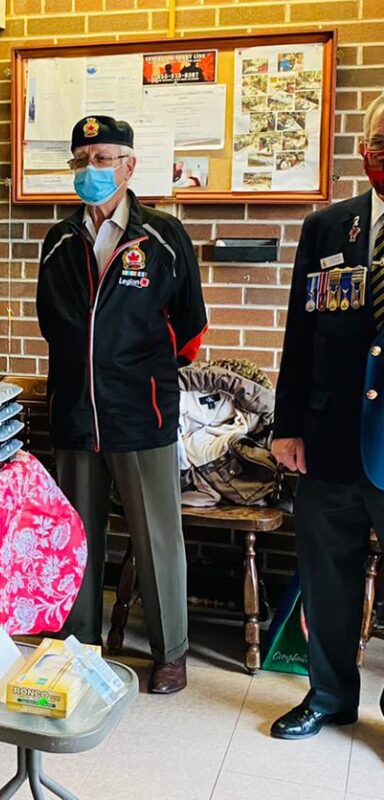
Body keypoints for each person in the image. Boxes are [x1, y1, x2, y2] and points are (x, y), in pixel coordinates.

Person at [36, 116, 207, 694]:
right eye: (82, 161)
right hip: (76, 414)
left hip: (143, 413)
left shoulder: (163, 236)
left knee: (157, 536)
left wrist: (139, 375)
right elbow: (51, 325)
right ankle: (76, 645)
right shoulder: (59, 240)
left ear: (130, 166)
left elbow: (191, 328)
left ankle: (170, 652)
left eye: (104, 158)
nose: (92, 171)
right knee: (77, 534)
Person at [269, 93, 384, 739]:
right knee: (327, 578)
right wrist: (288, 425)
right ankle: (330, 695)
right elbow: (300, 334)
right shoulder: (328, 228)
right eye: (380, 143)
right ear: (364, 149)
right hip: (328, 439)